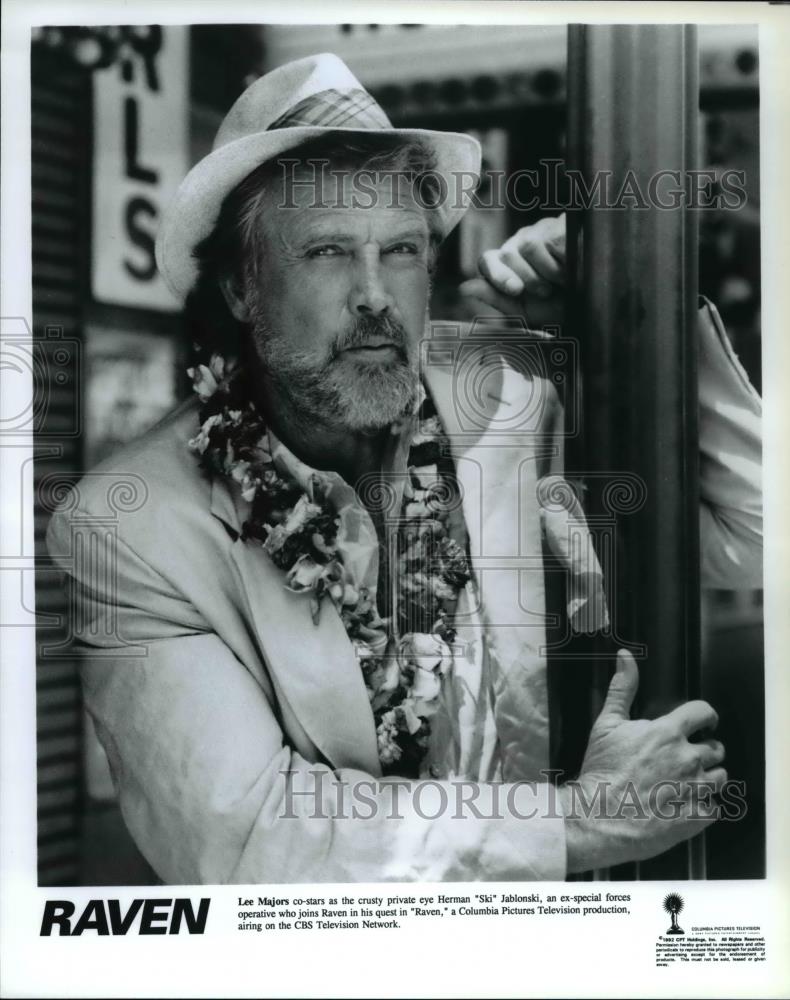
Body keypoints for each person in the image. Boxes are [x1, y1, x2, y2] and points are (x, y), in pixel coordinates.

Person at [46, 53, 761, 884]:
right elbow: (245, 832)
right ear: (242, 286)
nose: (375, 294)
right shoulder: (128, 525)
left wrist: (629, 322)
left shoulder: (516, 394)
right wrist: (576, 824)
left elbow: (757, 537)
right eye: (327, 251)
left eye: (402, 251)